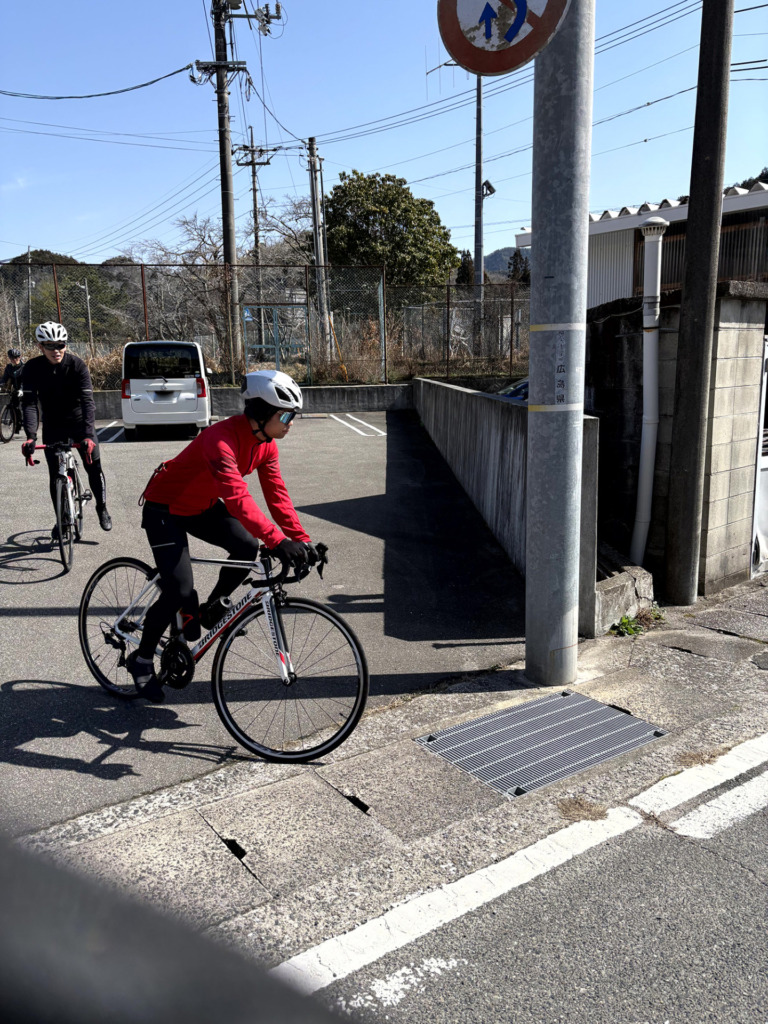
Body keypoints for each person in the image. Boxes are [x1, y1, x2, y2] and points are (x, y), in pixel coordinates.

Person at [129, 368, 317, 703]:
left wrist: (301, 539)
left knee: (247, 545)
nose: (291, 422)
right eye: (286, 414)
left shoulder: (266, 445)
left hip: (200, 507)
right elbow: (238, 498)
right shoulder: (221, 440)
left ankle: (208, 610)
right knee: (178, 590)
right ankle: (141, 659)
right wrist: (279, 540)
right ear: (262, 412)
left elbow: (277, 496)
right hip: (164, 509)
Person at [20, 322, 112, 534]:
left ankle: (102, 508)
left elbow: (88, 402)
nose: (56, 350)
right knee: (55, 475)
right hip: (53, 424)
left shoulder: (77, 365)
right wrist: (31, 436)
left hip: (80, 423)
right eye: (50, 346)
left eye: (60, 345)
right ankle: (62, 520)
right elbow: (30, 404)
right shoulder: (32, 368)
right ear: (40, 346)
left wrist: (89, 435)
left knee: (94, 467)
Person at [2, 348, 24, 432]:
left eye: (16, 358)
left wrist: (22, 389)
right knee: (13, 406)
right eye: (12, 358)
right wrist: (1, 385)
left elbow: (25, 380)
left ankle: (25, 422)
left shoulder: (24, 367)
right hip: (15, 389)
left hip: (25, 389)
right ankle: (16, 423)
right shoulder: (9, 367)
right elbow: (5, 378)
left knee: (26, 406)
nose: (14, 360)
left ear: (20, 357)